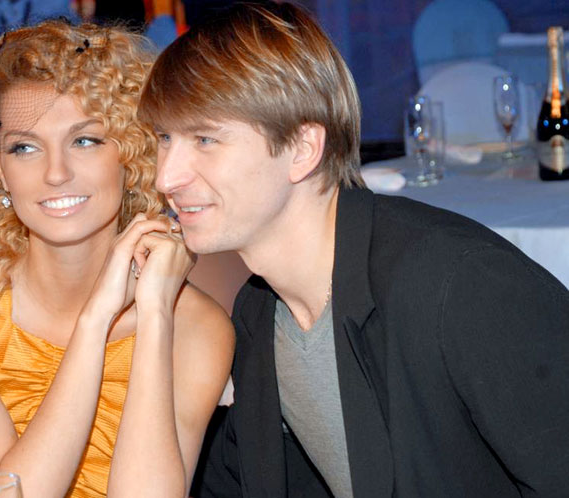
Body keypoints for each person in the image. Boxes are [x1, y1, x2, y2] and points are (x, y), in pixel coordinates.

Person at [137, 3, 569, 497]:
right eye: (164, 138)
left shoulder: (458, 287)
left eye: (205, 139)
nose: (166, 177)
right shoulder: (260, 312)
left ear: (303, 148)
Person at [0, 19, 233, 498]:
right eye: (25, 147)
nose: (56, 173)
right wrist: (96, 319)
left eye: (85, 140)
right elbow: (10, 494)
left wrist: (154, 314)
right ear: (0, 167)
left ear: (131, 153)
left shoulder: (196, 327)